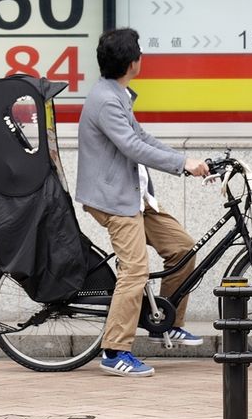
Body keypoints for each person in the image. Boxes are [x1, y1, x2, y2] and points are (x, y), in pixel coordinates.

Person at [76, 28, 210, 377]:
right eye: (139, 53)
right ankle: (114, 350)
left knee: (182, 248)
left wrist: (186, 161)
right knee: (134, 270)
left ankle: (166, 323)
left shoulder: (117, 93)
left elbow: (141, 136)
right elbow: (132, 147)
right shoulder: (105, 100)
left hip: (135, 195)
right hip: (113, 199)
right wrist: (182, 165)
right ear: (132, 63)